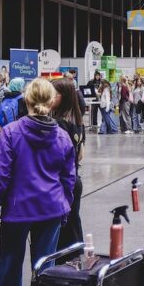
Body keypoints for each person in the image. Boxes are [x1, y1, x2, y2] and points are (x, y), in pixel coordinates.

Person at [0, 78, 76, 286]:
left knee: (10, 263)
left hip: (17, 210)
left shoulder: (11, 132)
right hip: (51, 208)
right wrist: (66, 205)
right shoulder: (62, 136)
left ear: (26, 100)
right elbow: (68, 178)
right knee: (45, 266)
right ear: (51, 102)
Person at [51, 78, 85, 249]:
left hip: (63, 182)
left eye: (53, 95)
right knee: (73, 224)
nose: (49, 98)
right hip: (74, 179)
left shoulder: (58, 124)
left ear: (63, 97)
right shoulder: (77, 121)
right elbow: (80, 155)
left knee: (63, 232)